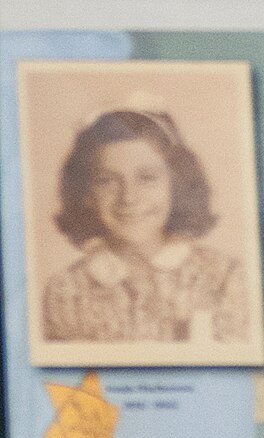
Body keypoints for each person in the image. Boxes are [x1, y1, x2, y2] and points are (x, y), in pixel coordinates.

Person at [41, 106, 248, 345]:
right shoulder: (66, 291)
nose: (129, 197)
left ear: (177, 185)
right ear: (86, 193)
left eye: (147, 178)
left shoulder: (224, 278)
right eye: (107, 181)